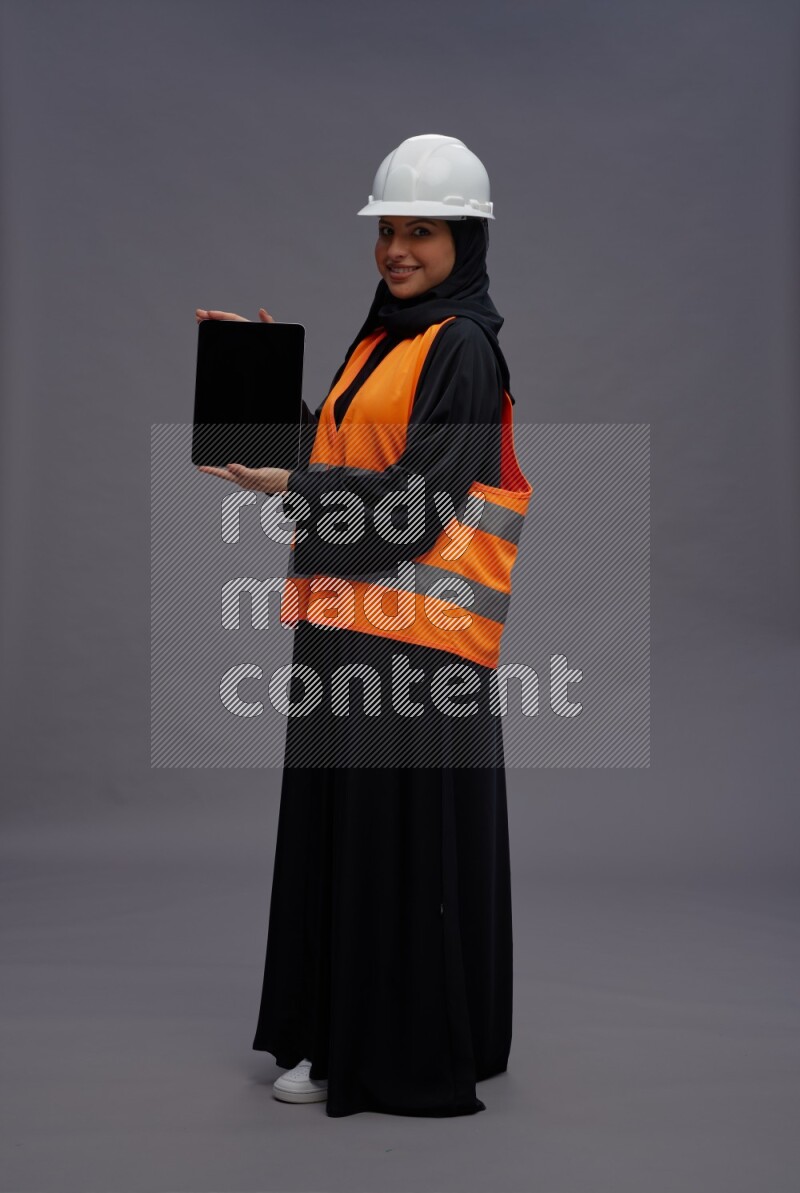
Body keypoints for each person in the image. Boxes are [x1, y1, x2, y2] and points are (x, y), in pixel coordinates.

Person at [196, 133, 531, 1118]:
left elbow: (414, 508)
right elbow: (352, 453)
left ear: (463, 240)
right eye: (388, 230)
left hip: (418, 648)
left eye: (419, 232)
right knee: (344, 835)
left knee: (396, 847)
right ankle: (330, 1034)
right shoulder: (384, 337)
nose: (396, 250)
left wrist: (289, 487)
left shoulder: (461, 345)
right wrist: (261, 393)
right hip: (344, 627)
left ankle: (392, 1050)